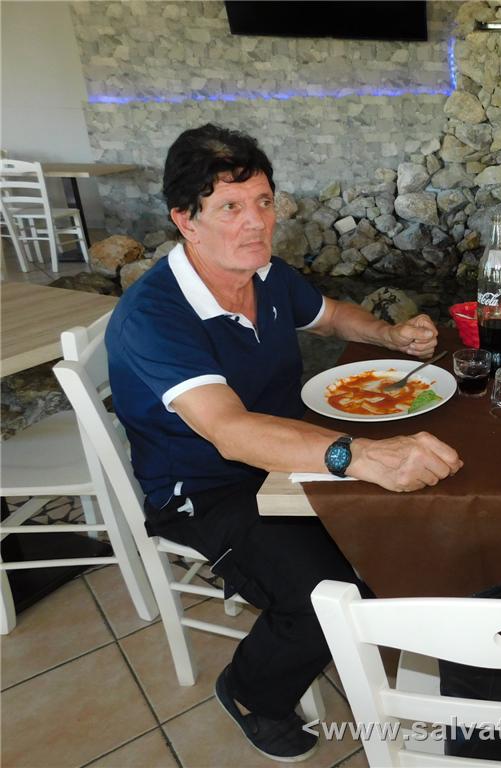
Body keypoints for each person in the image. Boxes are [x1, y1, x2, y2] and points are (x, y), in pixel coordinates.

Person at [106, 124, 462, 762]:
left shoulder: (265, 273)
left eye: (264, 201)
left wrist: (388, 335)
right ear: (185, 220)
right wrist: (358, 456)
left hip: (288, 452)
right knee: (324, 597)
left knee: (418, 517)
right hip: (207, 487)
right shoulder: (155, 315)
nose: (257, 223)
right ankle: (251, 692)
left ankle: (424, 648)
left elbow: (328, 315)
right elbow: (230, 432)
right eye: (230, 207)